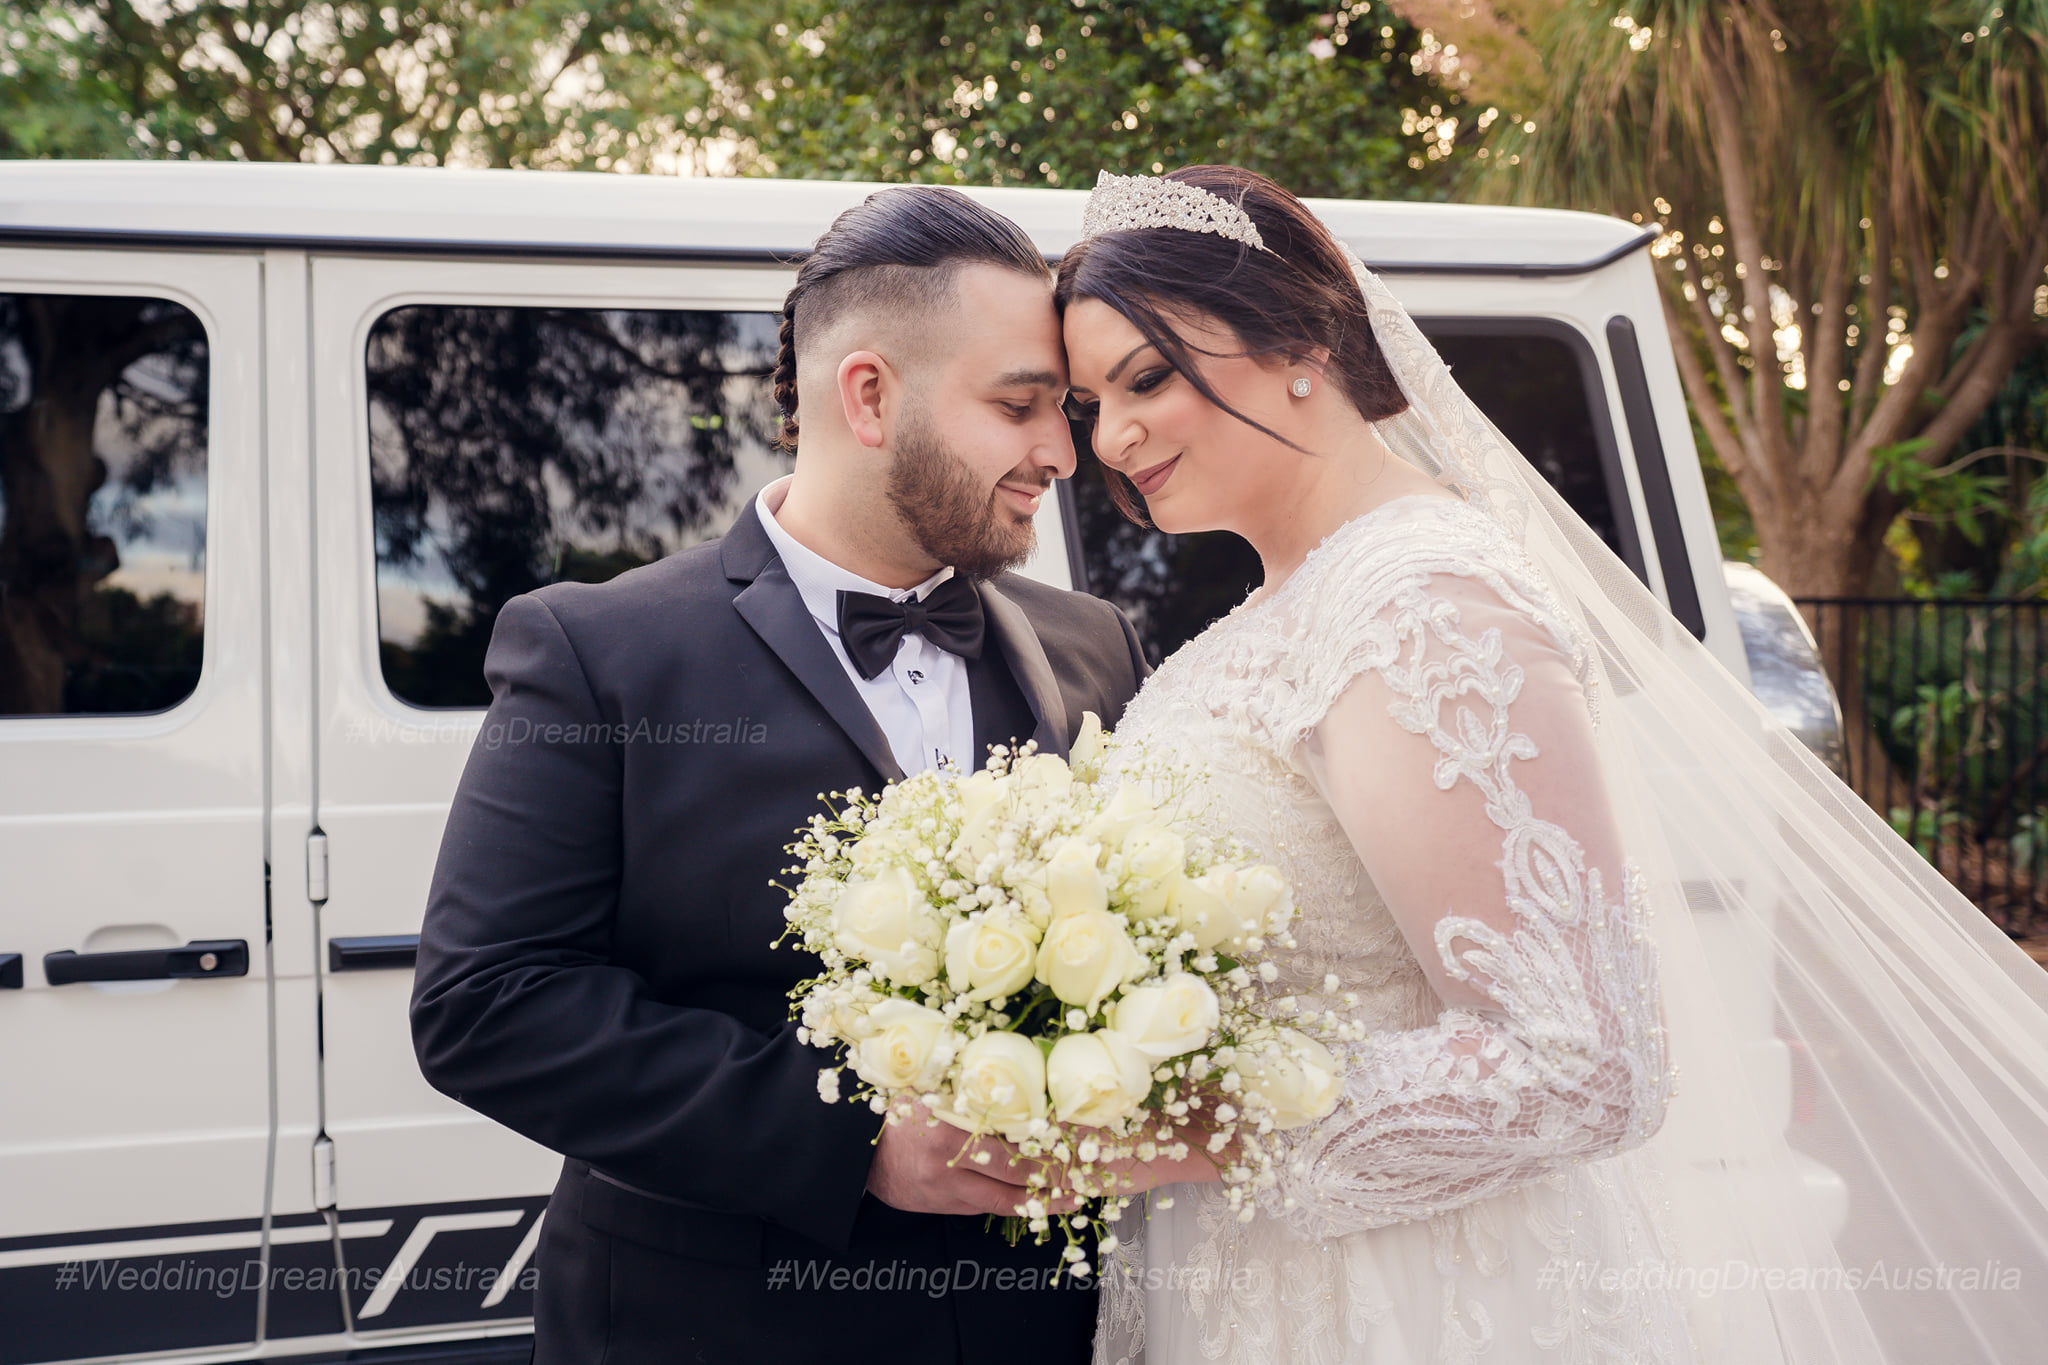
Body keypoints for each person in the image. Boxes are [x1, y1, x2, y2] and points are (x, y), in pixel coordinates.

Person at [1054, 165, 2048, 1364]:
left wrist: (1190, 1128)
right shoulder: (1261, 619)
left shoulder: (1417, 600)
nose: (1110, 438)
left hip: (1411, 1304)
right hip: (1241, 1286)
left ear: (1299, 340)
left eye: (1145, 378)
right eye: (1085, 404)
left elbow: (1579, 1060)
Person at [409, 185, 1149, 1365]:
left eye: (1062, 411)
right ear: (868, 395)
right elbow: (487, 1003)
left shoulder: (1092, 644)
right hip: (712, 1329)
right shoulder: (597, 652)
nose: (1061, 453)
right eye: (1019, 406)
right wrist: (851, 1140)